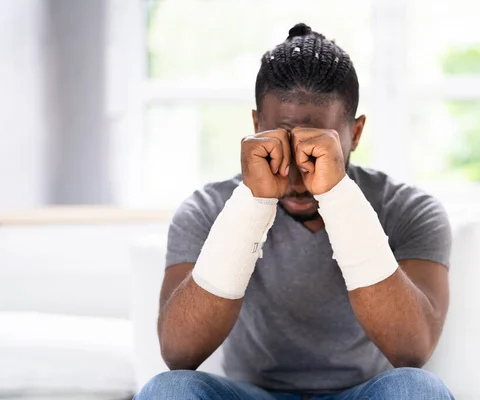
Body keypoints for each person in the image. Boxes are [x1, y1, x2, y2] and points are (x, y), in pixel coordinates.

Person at [135, 23, 454, 400]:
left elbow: (411, 350)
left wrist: (337, 195)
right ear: (256, 126)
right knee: (167, 391)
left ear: (356, 132)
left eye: (318, 148)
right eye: (281, 145)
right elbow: (178, 353)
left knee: (417, 390)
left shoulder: (407, 209)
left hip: (360, 394)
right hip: (252, 395)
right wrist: (254, 203)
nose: (297, 175)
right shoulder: (207, 209)